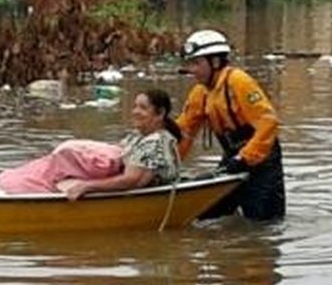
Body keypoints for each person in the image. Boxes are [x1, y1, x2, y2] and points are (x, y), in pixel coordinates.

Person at [175, 29, 286, 221]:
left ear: (215, 62)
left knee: (262, 222)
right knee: (206, 213)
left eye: (196, 63)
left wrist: (245, 158)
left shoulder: (238, 81)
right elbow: (184, 131)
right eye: (190, 64)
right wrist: (169, 163)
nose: (192, 70)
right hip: (233, 158)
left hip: (262, 161)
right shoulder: (200, 92)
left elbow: (268, 122)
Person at [54, 89, 182, 201]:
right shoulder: (138, 136)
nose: (135, 111)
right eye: (135, 106)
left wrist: (87, 186)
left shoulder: (155, 142)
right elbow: (114, 152)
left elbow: (132, 180)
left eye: (143, 108)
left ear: (160, 113)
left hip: (145, 198)